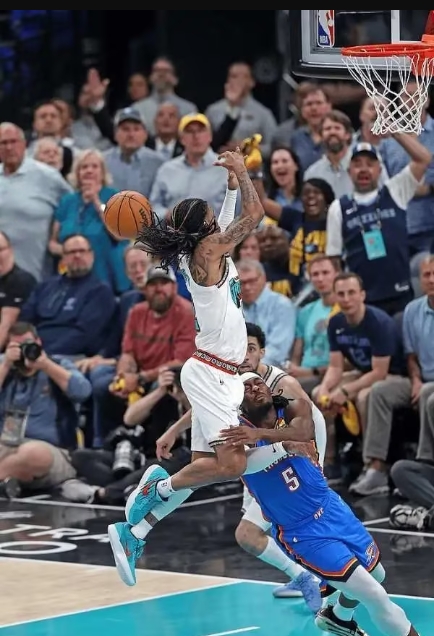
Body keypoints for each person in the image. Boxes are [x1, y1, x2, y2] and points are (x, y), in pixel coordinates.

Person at [108, 149, 306, 585]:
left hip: (219, 373)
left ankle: (133, 533)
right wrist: (243, 173)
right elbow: (255, 215)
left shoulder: (205, 251)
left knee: (203, 468)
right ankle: (156, 489)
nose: (219, 222)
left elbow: (229, 218)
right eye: (214, 219)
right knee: (232, 464)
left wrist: (230, 188)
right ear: (208, 230)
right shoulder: (208, 251)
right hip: (212, 372)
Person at [155, 322, 325, 611]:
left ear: (262, 352)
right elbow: (210, 407)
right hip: (265, 457)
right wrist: (174, 429)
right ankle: (310, 575)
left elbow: (306, 430)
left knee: (254, 532)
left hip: (298, 458)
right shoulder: (232, 380)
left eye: (251, 348)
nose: (245, 355)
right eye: (240, 348)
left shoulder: (282, 385)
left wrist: (313, 467)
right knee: (258, 532)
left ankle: (315, 579)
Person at [234, 373, 420, 636]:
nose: (255, 388)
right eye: (246, 387)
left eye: (258, 383)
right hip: (302, 531)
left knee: (377, 574)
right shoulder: (235, 434)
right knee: (376, 596)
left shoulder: (291, 405)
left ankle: (338, 617)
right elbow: (239, 463)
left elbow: (303, 432)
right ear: (237, 400)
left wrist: (264, 435)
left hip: (331, 507)